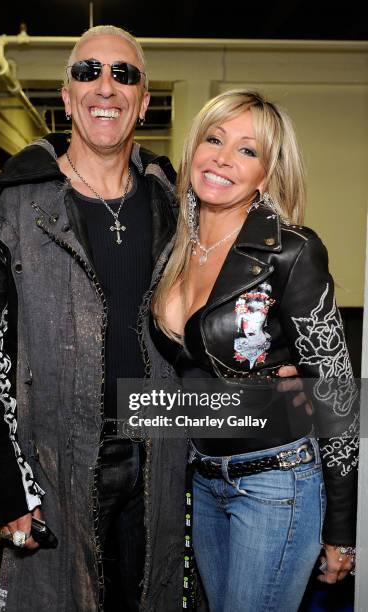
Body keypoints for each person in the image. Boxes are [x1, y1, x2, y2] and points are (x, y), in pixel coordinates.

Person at [0, 26, 188, 611]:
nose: (106, 86)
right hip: (55, 466)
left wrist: (290, 389)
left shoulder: (173, 200)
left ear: (145, 101)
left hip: (159, 456)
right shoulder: (9, 199)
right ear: (67, 93)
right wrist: (7, 486)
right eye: (89, 72)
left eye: (124, 74)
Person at [151, 90, 358, 611]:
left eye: (247, 150)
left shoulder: (291, 250)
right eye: (214, 139)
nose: (222, 157)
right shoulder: (175, 244)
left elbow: (336, 394)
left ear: (266, 174)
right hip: (204, 479)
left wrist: (341, 527)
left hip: (275, 481)